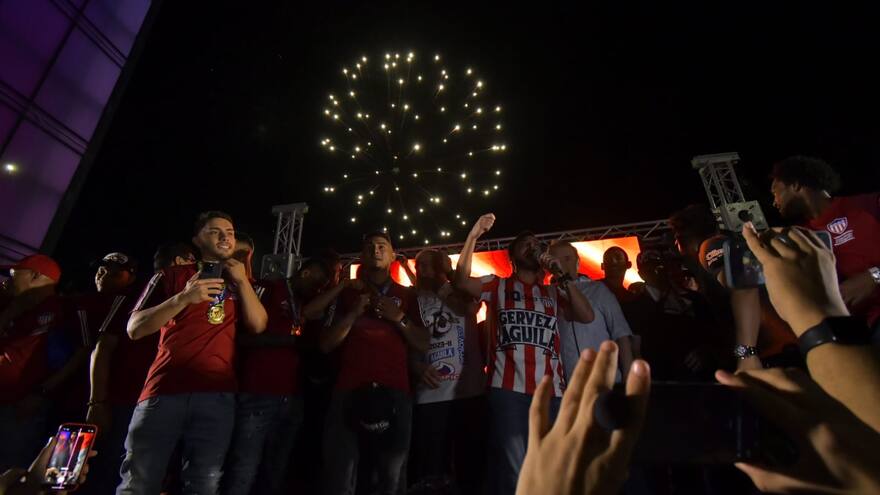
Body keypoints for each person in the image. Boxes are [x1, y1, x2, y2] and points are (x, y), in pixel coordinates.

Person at [117, 211, 268, 495]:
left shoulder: (240, 281)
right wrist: (184, 297)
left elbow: (258, 325)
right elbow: (134, 328)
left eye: (230, 232)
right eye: (214, 231)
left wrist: (242, 282)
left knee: (204, 484)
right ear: (197, 240)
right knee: (139, 482)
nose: (225, 237)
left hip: (217, 394)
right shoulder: (171, 275)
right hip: (164, 390)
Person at [453, 214, 595, 495]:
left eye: (536, 244)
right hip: (508, 391)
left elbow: (586, 315)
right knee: (515, 469)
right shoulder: (497, 285)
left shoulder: (553, 291)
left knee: (552, 466)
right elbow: (460, 282)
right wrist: (473, 236)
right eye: (525, 244)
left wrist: (561, 275)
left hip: (552, 392)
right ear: (512, 258)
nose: (532, 247)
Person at [319, 231, 429, 495]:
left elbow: (423, 343)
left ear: (393, 256)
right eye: (369, 246)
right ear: (361, 256)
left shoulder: (408, 295)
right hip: (348, 390)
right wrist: (353, 314)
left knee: (391, 479)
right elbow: (325, 344)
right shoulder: (346, 295)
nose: (375, 250)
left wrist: (398, 317)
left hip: (395, 392)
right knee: (340, 477)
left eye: (382, 246)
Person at [84, 247, 195, 495]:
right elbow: (102, 349)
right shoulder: (134, 296)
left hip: (161, 400)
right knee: (110, 471)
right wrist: (97, 402)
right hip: (123, 399)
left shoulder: (195, 301)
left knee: (146, 474)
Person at [223, 246, 330, 495]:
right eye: (316, 283)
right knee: (244, 465)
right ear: (305, 273)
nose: (317, 290)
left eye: (322, 287)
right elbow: (240, 337)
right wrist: (285, 341)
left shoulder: (306, 303)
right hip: (258, 391)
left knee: (276, 468)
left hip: (292, 395)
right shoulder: (268, 289)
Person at [769, 155, 880, 338]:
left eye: (776, 192)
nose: (774, 202)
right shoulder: (800, 237)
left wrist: (874, 276)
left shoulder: (868, 205)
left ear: (795, 185)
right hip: (857, 333)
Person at [408, 249, 487, 494]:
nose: (422, 270)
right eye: (419, 265)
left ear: (443, 267)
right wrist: (415, 365)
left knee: (470, 470)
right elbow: (404, 340)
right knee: (432, 473)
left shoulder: (462, 293)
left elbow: (467, 310)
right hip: (430, 395)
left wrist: (445, 280)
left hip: (468, 393)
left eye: (429, 264)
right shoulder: (412, 298)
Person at [0, 255, 84, 472]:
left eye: (13, 275)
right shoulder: (10, 305)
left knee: (10, 469)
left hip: (22, 407)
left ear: (35, 276)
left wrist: (41, 393)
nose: (7, 280)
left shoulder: (64, 310)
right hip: (5, 397)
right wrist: (8, 314)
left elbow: (78, 356)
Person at [626, 250, 721, 381]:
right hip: (662, 381)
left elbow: (715, 333)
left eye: (659, 266)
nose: (656, 271)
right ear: (641, 274)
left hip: (702, 377)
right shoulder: (636, 308)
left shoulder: (694, 299)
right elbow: (634, 348)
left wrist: (706, 351)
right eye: (649, 268)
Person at [548, 241, 635, 383]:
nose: (562, 264)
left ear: (578, 261)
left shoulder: (598, 289)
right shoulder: (549, 293)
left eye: (567, 258)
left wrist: (628, 379)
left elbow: (621, 334)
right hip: (569, 383)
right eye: (556, 260)